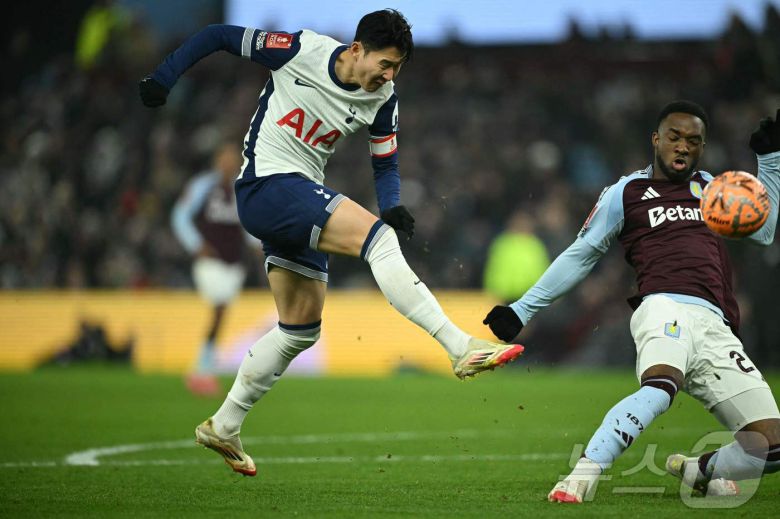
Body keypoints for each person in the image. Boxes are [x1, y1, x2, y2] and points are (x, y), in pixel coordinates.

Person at [140, 9, 523, 476]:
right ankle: (459, 346)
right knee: (379, 243)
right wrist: (164, 77)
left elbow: (385, 162)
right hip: (266, 185)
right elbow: (219, 35)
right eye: (385, 64)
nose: (389, 75)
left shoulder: (383, 99)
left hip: (294, 199)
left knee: (300, 328)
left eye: (397, 68)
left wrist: (392, 204)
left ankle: (225, 424)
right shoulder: (300, 49)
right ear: (357, 49)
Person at [483, 101, 780, 503]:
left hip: (717, 326)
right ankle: (583, 473)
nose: (683, 146)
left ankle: (698, 470)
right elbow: (581, 254)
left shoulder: (712, 188)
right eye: (674, 137)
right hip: (664, 307)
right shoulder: (626, 192)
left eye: (693, 140)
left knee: (771, 447)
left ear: (702, 147)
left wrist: (771, 161)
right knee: (660, 388)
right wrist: (522, 310)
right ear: (656, 139)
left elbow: (763, 232)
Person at [171, 142, 250, 397]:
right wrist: (196, 244)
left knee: (221, 314)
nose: (229, 163)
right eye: (225, 158)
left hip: (234, 262)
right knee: (220, 309)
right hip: (210, 261)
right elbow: (180, 216)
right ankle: (202, 369)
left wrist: (258, 244)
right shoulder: (203, 186)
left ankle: (203, 367)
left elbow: (249, 222)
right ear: (217, 161)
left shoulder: (243, 187)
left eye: (233, 158)